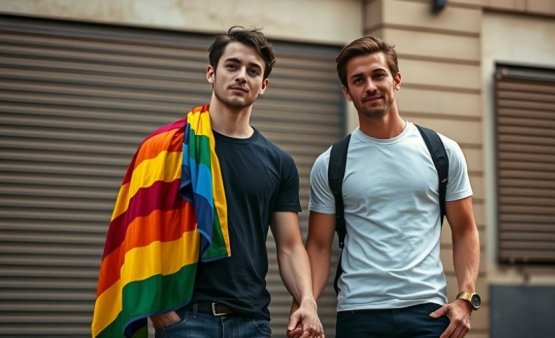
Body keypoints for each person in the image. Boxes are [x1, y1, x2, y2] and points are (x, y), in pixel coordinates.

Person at [92, 26, 323, 338]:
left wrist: (307, 300)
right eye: (232, 66)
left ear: (263, 85)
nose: (242, 75)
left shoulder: (279, 163)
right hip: (185, 320)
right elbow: (136, 234)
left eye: (253, 70)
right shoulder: (164, 147)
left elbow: (290, 245)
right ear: (211, 74)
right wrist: (164, 315)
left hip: (252, 321)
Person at [294, 36, 480, 338]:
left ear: (396, 79)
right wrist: (306, 304)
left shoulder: (442, 151)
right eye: (358, 80)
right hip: (359, 313)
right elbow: (317, 246)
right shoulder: (330, 163)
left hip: (428, 312)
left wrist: (466, 298)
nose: (370, 86)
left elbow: (465, 230)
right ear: (347, 92)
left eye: (378, 75)